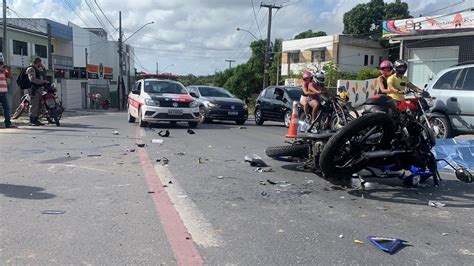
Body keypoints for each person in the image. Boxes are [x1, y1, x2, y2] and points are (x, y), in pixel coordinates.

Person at [26, 57, 49, 126]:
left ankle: (36, 119)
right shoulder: (31, 69)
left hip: (38, 89)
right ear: (38, 62)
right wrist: (42, 81)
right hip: (33, 89)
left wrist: (43, 68)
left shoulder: (36, 69)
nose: (41, 64)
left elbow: (43, 73)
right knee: (34, 105)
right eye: (40, 63)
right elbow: (32, 79)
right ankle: (32, 120)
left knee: (39, 105)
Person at [0, 54, 15, 128]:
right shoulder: (2, 69)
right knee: (6, 108)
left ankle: (8, 124)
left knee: (7, 108)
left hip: (4, 91)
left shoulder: (3, 69)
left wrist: (9, 70)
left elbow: (10, 76)